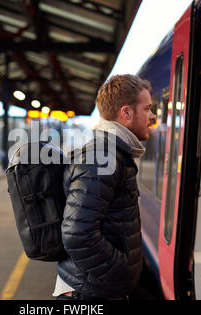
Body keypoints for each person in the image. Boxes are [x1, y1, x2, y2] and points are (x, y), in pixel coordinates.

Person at [53, 74, 157, 300]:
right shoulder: (101, 158)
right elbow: (77, 235)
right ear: (126, 113)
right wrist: (121, 270)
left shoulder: (113, 153)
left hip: (100, 287)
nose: (153, 116)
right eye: (147, 109)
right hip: (92, 292)